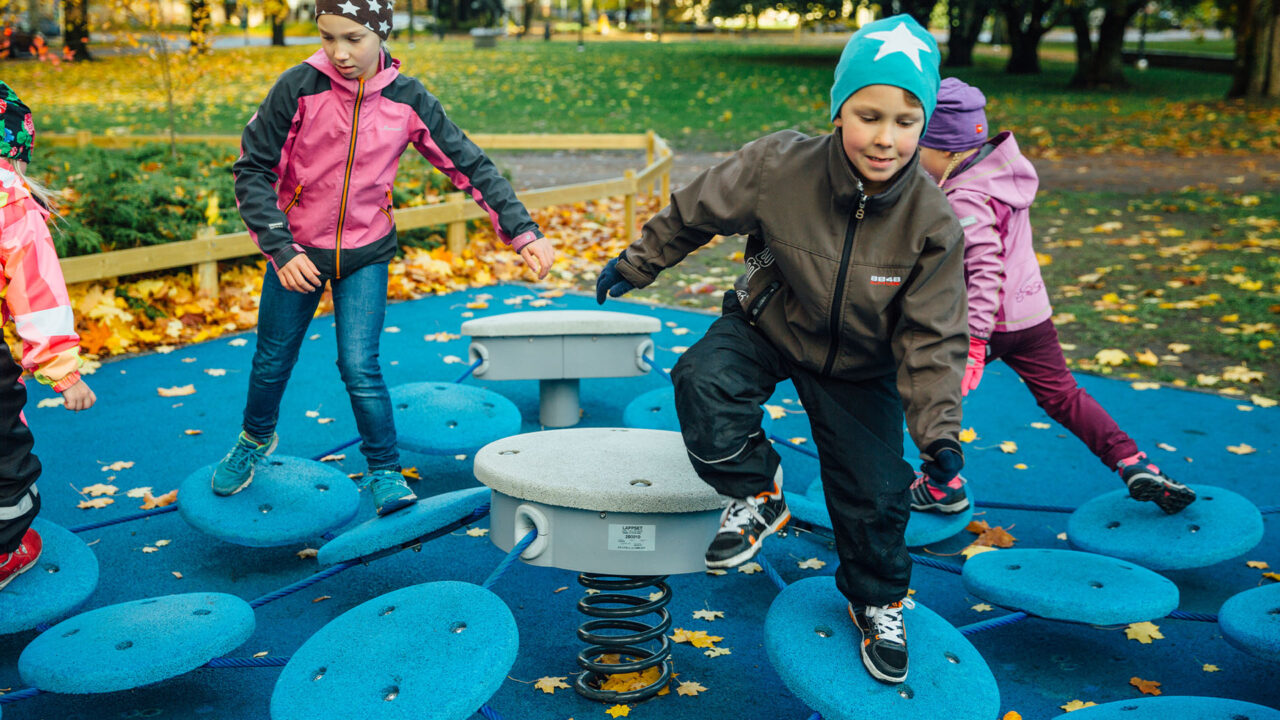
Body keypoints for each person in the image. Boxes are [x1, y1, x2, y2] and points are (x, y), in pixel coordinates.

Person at [595, 15, 968, 684]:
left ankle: (878, 599)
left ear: (924, 124)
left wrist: (938, 431)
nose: (885, 137)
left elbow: (933, 336)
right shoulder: (779, 167)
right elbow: (696, 209)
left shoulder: (932, 223)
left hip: (862, 361)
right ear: (838, 111)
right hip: (771, 321)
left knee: (877, 494)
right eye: (868, 114)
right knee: (703, 380)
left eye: (906, 121)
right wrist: (638, 261)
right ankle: (757, 492)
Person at [221, 0, 555, 516]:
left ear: (381, 33)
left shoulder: (408, 99)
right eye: (328, 37)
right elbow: (252, 170)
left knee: (360, 365)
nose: (339, 52)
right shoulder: (299, 87)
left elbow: (469, 165)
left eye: (353, 38)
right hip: (297, 252)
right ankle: (254, 439)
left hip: (366, 252)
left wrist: (523, 231)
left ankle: (383, 469)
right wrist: (281, 248)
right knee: (271, 360)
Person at [909, 77, 1196, 516]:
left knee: (926, 393)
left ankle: (941, 485)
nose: (913, 155)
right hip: (1032, 315)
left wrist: (977, 342)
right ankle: (1133, 462)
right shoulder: (1000, 170)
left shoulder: (965, 198)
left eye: (919, 146)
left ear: (947, 149)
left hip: (984, 322)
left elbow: (986, 270)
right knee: (1064, 395)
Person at [0, 81, 97, 591]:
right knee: (5, 455)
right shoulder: (8, 197)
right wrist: (64, 372)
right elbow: (35, 292)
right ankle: (3, 550)